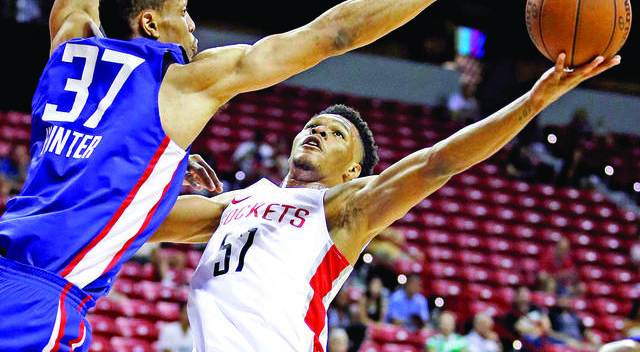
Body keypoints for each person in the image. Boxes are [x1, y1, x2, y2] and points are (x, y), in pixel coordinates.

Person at [0, 0, 533, 350]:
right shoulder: (183, 80)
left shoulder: (67, 49)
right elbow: (335, 33)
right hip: (43, 293)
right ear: (150, 25)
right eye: (182, 11)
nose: (192, 25)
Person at [149, 30, 621, 352]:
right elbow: (134, 222)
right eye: (312, 126)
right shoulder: (233, 204)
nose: (316, 133)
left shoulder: (344, 208)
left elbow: (440, 163)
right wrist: (164, 172)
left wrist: (534, 101)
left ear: (353, 169)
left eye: (335, 134)